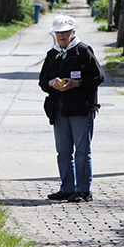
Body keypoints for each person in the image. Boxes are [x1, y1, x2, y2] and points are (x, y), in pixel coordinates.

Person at [38, 15, 105, 203]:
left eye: (65, 32)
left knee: (82, 150)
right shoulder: (52, 54)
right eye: (58, 33)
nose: (61, 36)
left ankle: (83, 190)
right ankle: (67, 188)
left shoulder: (83, 51)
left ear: (73, 32)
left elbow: (99, 77)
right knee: (63, 150)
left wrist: (77, 83)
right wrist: (51, 83)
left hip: (81, 108)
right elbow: (42, 81)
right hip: (59, 109)